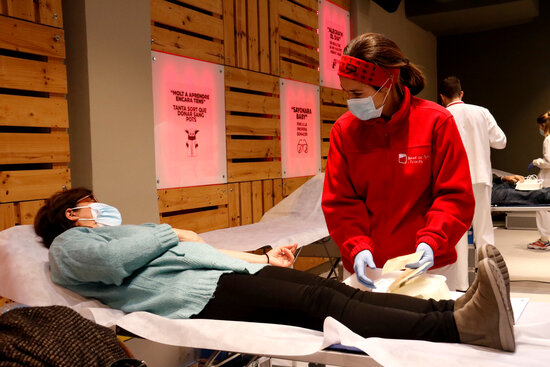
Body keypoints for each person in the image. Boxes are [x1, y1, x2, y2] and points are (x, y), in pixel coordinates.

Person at [33, 188, 515, 352]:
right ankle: (460, 328)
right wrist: (169, 232)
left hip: (221, 276)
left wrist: (263, 259)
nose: (101, 207)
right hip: (196, 298)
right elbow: (112, 263)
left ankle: (452, 310)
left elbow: (203, 253)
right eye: (91, 202)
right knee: (325, 305)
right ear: (70, 213)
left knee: (345, 295)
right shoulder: (70, 245)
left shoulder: (121, 233)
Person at [321, 33, 475, 291]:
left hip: (427, 264)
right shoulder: (344, 131)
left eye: (357, 93)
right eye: (346, 93)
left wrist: (432, 241)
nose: (351, 102)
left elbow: (453, 194)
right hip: (368, 268)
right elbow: (340, 202)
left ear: (388, 82)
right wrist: (357, 247)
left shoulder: (435, 121)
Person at [439, 76, 506, 249]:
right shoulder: (481, 111)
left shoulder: (442, 115)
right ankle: (486, 270)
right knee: (484, 228)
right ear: (461, 93)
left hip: (454, 180)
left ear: (442, 97)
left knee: (458, 230)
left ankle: (460, 275)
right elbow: (501, 142)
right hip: (481, 175)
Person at [528, 111, 550, 250]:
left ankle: (545, 240)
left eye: (540, 127)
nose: (540, 130)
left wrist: (537, 162)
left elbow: (549, 161)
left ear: (543, 125)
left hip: (548, 179)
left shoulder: (548, 140)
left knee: (543, 209)